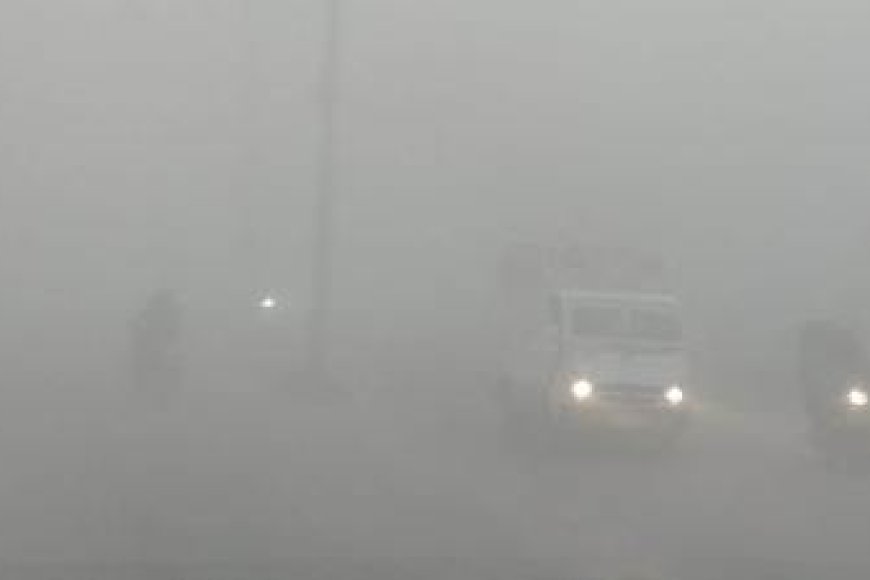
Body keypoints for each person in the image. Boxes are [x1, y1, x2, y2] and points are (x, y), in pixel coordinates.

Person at [130, 289, 184, 399]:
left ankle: (157, 395)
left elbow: (173, 334)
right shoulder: (155, 315)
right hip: (151, 353)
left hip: (157, 354)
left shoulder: (164, 315)